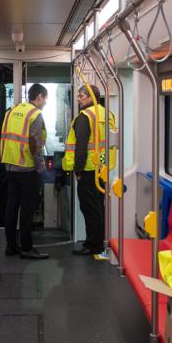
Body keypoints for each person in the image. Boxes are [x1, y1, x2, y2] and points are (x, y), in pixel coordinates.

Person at [64, 84, 116, 256]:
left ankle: (94, 245)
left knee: (89, 208)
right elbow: (102, 148)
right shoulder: (106, 114)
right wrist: (99, 164)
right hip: (100, 169)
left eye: (81, 95)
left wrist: (77, 170)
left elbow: (81, 148)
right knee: (98, 207)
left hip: (86, 171)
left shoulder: (85, 117)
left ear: (90, 97)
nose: (79, 99)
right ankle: (98, 241)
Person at [0, 83, 50, 260]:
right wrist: (40, 167)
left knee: (12, 206)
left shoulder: (11, 111)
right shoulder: (35, 114)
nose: (45, 102)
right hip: (27, 167)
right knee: (27, 209)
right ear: (39, 97)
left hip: (10, 166)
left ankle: (11, 246)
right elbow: (34, 143)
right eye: (45, 98)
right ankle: (27, 248)